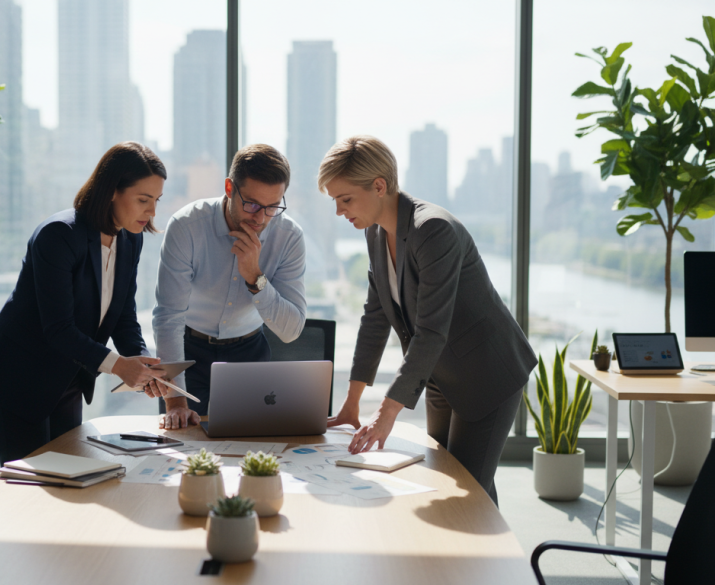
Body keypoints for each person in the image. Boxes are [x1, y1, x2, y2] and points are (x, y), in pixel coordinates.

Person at [319, 135, 536, 505]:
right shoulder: (375, 233)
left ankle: (490, 561)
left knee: (469, 493)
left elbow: (431, 330)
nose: (339, 211)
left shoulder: (432, 229)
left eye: (345, 199)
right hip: (441, 375)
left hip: (487, 374)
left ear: (379, 186)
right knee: (455, 477)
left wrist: (387, 412)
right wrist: (351, 403)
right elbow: (375, 318)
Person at [0, 142, 166, 465]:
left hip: (67, 377)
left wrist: (142, 361)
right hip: (19, 374)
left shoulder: (131, 238)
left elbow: (123, 316)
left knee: (69, 476)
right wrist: (119, 366)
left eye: (156, 200)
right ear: (112, 190)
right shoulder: (58, 235)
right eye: (143, 200)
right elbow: (58, 329)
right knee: (31, 487)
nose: (152, 211)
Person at [152, 144, 306, 430]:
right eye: (252, 204)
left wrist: (256, 278)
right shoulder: (187, 226)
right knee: (184, 444)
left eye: (272, 207)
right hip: (187, 351)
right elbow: (168, 316)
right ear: (229, 188)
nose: (260, 218)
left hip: (249, 352)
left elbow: (291, 330)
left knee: (250, 447)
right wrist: (174, 402)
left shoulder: (289, 237)